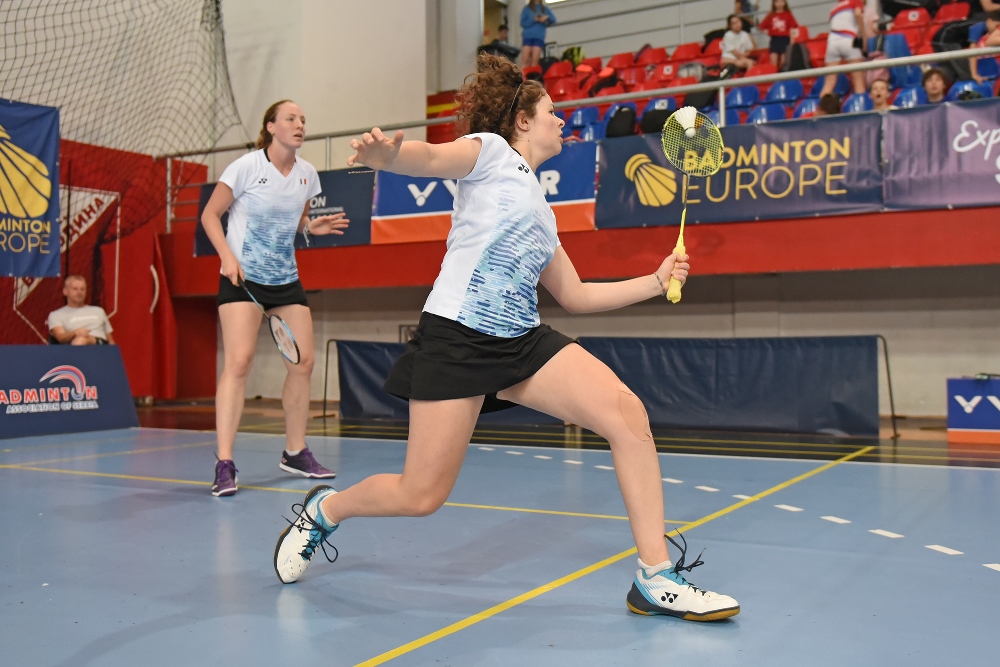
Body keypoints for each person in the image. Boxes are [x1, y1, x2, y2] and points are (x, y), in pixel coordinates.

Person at [272, 54, 740, 623]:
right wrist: (389, 157)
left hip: (521, 341)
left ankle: (655, 576)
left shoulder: (542, 210)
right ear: (522, 121)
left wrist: (656, 281)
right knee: (421, 495)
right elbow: (434, 158)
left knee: (627, 415)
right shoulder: (491, 153)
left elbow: (575, 296)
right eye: (552, 112)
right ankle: (326, 511)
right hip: (459, 337)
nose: (561, 121)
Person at [200, 100, 350, 497]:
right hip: (243, 278)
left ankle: (295, 452)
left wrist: (310, 228)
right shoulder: (246, 167)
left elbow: (294, 219)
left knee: (303, 363)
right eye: (291, 119)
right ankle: (224, 463)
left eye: (303, 120)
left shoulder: (307, 175)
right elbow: (210, 215)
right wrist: (227, 256)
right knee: (239, 362)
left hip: (284, 280)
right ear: (271, 127)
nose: (300, 125)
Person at [47, 275, 115, 345]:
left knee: (82, 339)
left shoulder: (99, 311)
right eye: (75, 289)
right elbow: (61, 337)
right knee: (80, 339)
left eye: (82, 289)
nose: (79, 292)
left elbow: (110, 341)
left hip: (100, 346)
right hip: (74, 344)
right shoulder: (56, 315)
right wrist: (75, 333)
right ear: (65, 291)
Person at [820, 0, 869, 98]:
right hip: (849, 40)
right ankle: (862, 106)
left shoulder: (835, 7)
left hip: (832, 43)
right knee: (858, 82)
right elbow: (858, 14)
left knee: (829, 83)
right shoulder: (855, 1)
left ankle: (822, 106)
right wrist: (864, 37)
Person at [759, 0, 799, 69]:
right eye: (777, 2)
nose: (779, 4)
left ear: (785, 2)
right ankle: (774, 74)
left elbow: (792, 29)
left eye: (781, 1)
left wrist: (792, 41)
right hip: (775, 40)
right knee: (773, 62)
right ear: (774, 3)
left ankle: (782, 73)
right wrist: (769, 33)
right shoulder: (771, 15)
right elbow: (761, 27)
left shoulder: (788, 15)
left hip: (785, 39)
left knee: (783, 62)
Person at [520, 0, 556, 69]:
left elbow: (553, 19)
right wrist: (534, 20)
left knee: (535, 61)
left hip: (539, 36)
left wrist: (547, 17)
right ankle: (523, 74)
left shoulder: (545, 9)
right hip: (527, 36)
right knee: (525, 60)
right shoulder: (527, 9)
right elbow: (523, 23)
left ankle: (533, 74)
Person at [970, 10, 1000, 86]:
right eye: (996, 25)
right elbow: (972, 54)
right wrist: (974, 74)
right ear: (988, 21)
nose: (996, 28)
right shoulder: (980, 39)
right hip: (982, 76)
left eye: (998, 27)